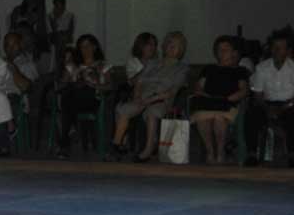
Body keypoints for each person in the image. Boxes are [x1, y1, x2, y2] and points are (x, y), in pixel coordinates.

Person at [110, 31, 189, 162]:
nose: (170, 47)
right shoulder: (152, 63)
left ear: (180, 49)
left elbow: (173, 91)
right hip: (143, 98)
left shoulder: (182, 68)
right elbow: (139, 82)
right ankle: (116, 145)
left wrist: (151, 99)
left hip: (162, 100)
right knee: (124, 108)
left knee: (152, 111)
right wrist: (137, 96)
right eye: (169, 43)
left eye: (175, 45)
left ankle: (148, 150)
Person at [190, 35, 249, 164]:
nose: (222, 52)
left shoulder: (240, 70)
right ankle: (210, 151)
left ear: (233, 52)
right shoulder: (209, 69)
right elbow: (198, 87)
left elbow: (243, 90)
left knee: (219, 119)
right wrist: (205, 95)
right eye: (219, 49)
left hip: (227, 103)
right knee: (202, 118)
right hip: (208, 102)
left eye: (225, 49)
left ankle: (220, 151)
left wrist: (228, 99)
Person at [55, 34, 112, 159]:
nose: (85, 50)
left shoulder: (102, 65)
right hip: (74, 100)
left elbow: (109, 86)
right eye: (82, 47)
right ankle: (65, 145)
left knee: (75, 94)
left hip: (93, 99)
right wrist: (71, 74)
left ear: (95, 47)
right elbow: (60, 86)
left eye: (88, 46)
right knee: (69, 95)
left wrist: (94, 84)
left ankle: (65, 144)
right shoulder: (73, 65)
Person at [245, 32, 294, 167]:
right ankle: (252, 154)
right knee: (251, 114)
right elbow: (258, 95)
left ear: (289, 50)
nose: (277, 50)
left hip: (289, 105)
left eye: (281, 47)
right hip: (267, 104)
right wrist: (268, 109)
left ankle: (292, 155)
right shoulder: (262, 68)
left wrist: (285, 107)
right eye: (274, 47)